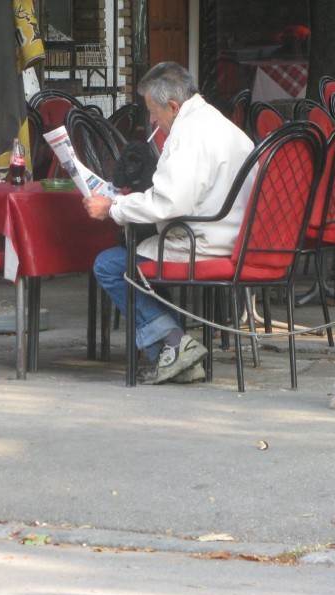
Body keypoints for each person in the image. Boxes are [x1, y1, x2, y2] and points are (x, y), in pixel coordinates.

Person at [83, 61, 255, 385]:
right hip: (232, 237)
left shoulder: (189, 134)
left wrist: (114, 207)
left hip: (203, 243)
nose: (151, 120)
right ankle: (178, 350)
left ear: (173, 106)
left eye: (153, 111)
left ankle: (174, 345)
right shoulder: (217, 124)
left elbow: (168, 203)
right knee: (140, 257)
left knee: (110, 264)